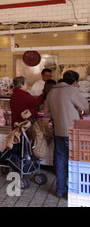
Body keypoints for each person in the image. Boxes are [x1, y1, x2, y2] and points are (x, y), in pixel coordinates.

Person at [44, 70, 89, 198]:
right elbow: (85, 105)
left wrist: (58, 116)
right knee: (74, 162)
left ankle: (60, 190)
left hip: (58, 130)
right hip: (72, 132)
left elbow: (47, 111)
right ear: (75, 82)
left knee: (60, 160)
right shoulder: (72, 90)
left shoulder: (52, 91)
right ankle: (74, 191)